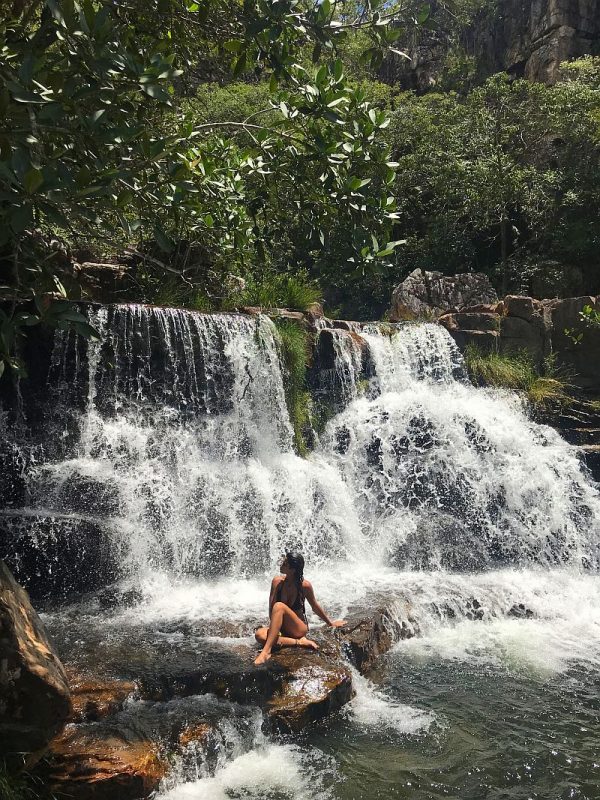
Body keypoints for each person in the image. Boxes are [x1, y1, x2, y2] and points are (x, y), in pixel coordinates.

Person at [254, 551, 346, 666]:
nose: (281, 564)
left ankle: (266, 652)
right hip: (282, 629)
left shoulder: (304, 586)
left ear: (293, 570)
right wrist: (276, 630)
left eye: (285, 564)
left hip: (298, 628)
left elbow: (315, 606)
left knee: (279, 606)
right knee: (259, 635)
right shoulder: (277, 582)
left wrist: (330, 623)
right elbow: (271, 611)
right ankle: (299, 642)